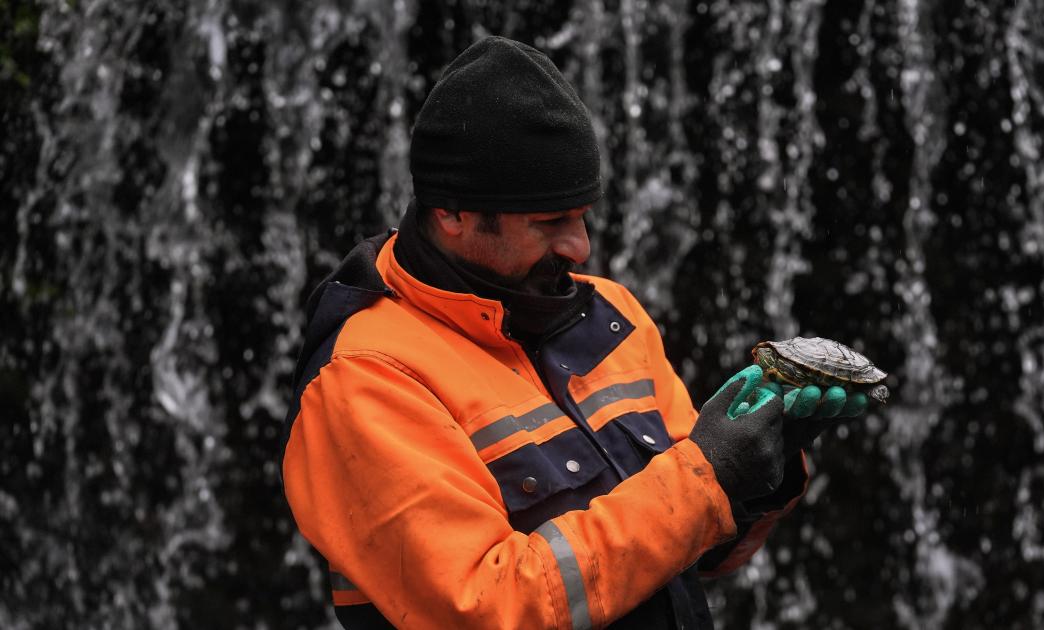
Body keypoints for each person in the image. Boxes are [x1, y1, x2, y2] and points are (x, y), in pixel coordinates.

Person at [281, 36, 867, 629]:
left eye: (582, 215)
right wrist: (706, 474)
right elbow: (490, 609)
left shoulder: (612, 313)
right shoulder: (365, 377)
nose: (579, 246)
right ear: (451, 214)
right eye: (549, 223)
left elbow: (690, 547)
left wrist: (761, 471)